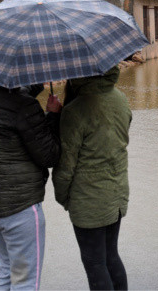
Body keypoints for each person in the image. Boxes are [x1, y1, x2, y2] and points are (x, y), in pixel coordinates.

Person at [0, 82, 62, 290]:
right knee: (26, 281)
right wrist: (52, 115)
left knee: (6, 269)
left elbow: (5, 103)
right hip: (18, 207)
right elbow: (49, 155)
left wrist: (36, 87)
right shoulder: (24, 106)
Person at [53, 66, 131, 290]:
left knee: (95, 263)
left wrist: (63, 198)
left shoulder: (76, 110)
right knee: (111, 256)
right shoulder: (120, 99)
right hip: (117, 194)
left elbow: (65, 165)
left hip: (89, 200)